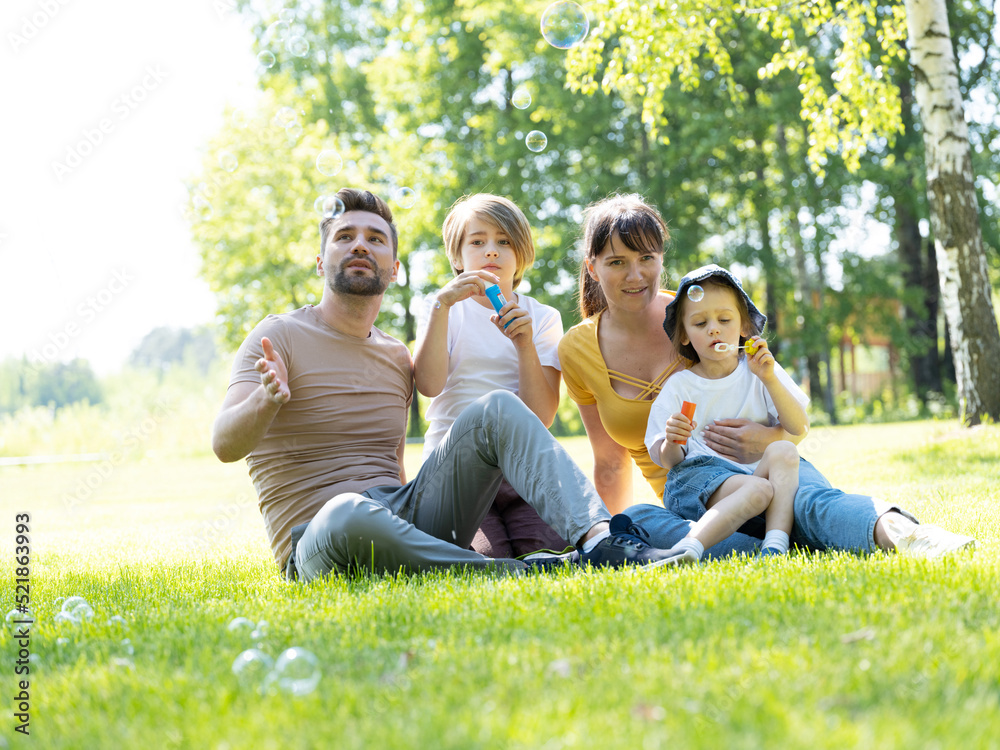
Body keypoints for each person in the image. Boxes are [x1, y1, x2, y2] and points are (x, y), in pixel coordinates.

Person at [211, 187, 682, 581]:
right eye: (345, 236)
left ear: (394, 269)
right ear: (320, 261)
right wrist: (265, 398)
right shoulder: (278, 337)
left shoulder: (396, 356)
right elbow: (225, 445)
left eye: (376, 238)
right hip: (320, 537)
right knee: (346, 511)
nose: (360, 245)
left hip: (402, 514)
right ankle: (510, 572)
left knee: (497, 406)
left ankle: (601, 541)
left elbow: (394, 465)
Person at [558, 193, 975, 558]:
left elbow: (792, 427)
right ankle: (786, 537)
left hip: (768, 465)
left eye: (646, 258)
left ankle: (909, 535)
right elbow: (610, 462)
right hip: (697, 499)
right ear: (592, 267)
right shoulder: (580, 348)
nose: (635, 275)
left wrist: (769, 437)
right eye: (617, 262)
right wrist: (602, 540)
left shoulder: (700, 312)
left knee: (810, 498)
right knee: (638, 520)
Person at [413, 194, 570, 558]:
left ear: (522, 255)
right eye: (477, 241)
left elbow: (542, 415)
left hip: (520, 471)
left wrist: (524, 344)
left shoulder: (542, 318)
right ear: (457, 256)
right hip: (456, 470)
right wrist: (441, 307)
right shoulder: (442, 309)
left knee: (549, 552)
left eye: (504, 241)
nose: (492, 252)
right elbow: (428, 385)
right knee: (486, 558)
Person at [646, 264, 808, 563]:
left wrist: (770, 378)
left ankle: (774, 549)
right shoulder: (680, 386)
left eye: (724, 319)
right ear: (684, 335)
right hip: (695, 479)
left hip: (751, 479)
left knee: (785, 452)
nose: (714, 329)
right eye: (699, 323)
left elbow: (798, 426)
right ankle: (688, 549)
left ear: (744, 326)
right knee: (759, 489)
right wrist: (672, 441)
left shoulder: (761, 371)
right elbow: (668, 462)